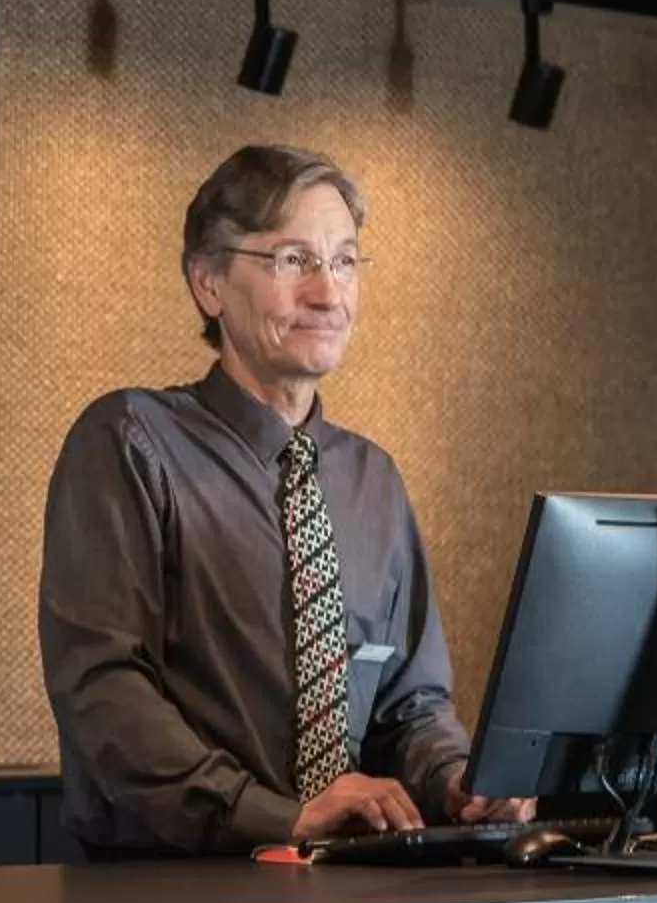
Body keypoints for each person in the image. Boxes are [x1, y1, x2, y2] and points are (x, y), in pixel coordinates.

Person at [38, 143, 528, 855]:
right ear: (208, 282)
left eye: (345, 261)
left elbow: (410, 705)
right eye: (292, 260)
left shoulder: (373, 481)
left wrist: (458, 781)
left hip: (345, 888)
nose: (328, 294)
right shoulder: (129, 442)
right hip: (168, 890)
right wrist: (276, 817)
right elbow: (105, 689)